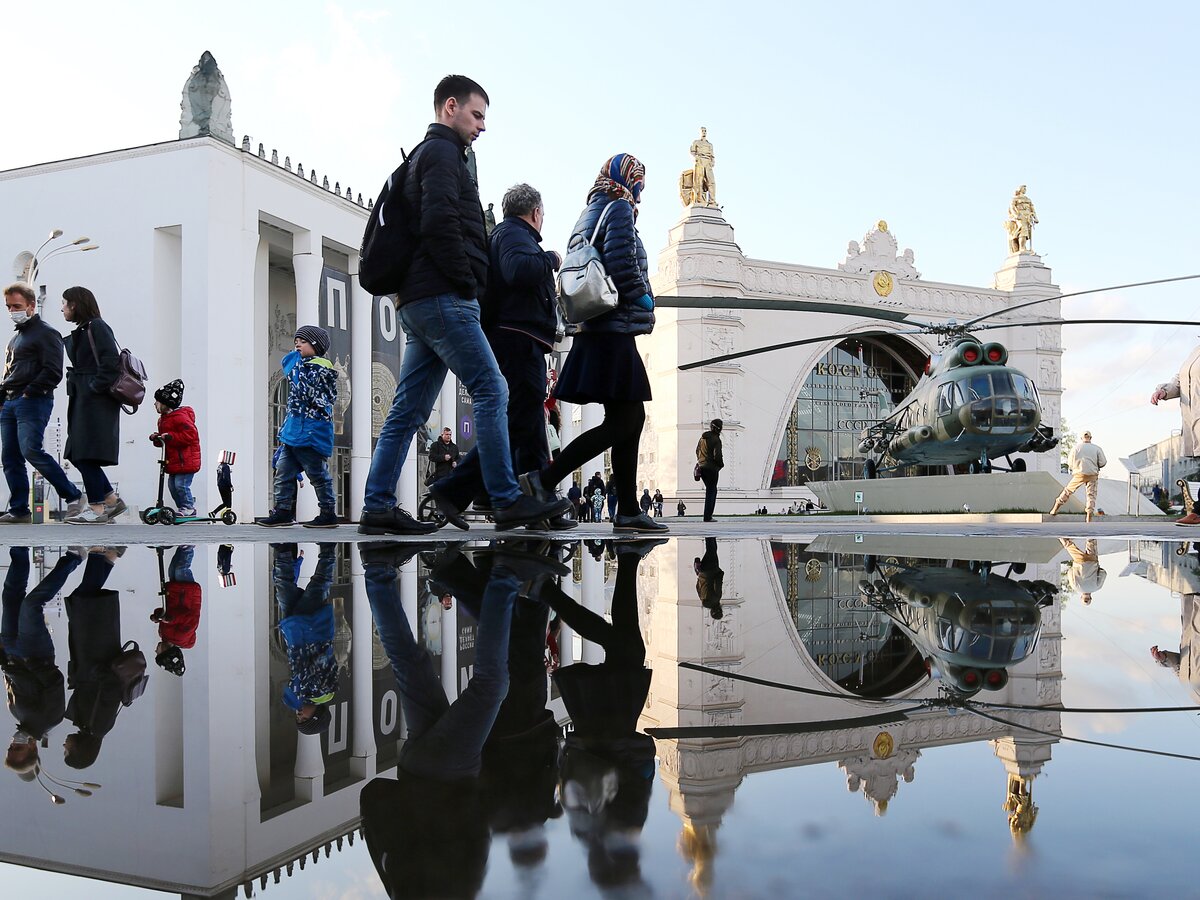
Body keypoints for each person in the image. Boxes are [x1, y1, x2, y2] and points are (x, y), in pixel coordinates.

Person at [360, 75, 568, 536]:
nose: (482, 126)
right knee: (495, 390)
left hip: (423, 300)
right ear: (449, 107)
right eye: (477, 115)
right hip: (443, 298)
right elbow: (439, 224)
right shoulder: (440, 153)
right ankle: (505, 498)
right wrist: (467, 283)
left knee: (408, 411)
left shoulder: (429, 155)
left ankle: (377, 504)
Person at [518, 154, 665, 534]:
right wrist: (641, 296)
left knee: (627, 420)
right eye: (638, 185)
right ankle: (545, 481)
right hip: (612, 329)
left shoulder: (592, 209)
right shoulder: (617, 208)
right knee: (627, 420)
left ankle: (628, 509)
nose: (639, 194)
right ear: (624, 180)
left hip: (597, 328)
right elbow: (620, 259)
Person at [428, 183, 575, 531]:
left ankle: (539, 501)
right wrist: (550, 259)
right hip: (517, 340)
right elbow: (516, 270)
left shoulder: (509, 235)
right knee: (515, 423)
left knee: (527, 425)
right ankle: (453, 489)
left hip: (519, 340)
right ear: (536, 213)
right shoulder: (513, 235)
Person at [0, 283, 85, 523]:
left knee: (30, 450)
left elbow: (52, 370)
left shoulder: (46, 333)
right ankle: (19, 509)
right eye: (8, 306)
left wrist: (30, 391)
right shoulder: (16, 338)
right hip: (9, 402)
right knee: (10, 457)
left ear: (30, 305)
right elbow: (10, 373)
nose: (12, 311)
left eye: (16, 306)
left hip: (33, 401)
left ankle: (73, 496)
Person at [3, 546, 81, 780]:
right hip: (34, 652)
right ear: (32, 748)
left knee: (10, 596)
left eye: (10, 748)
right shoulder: (49, 718)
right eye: (17, 749)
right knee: (30, 605)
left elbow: (10, 679)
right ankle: (73, 559)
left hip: (11, 651)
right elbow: (55, 682)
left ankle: (18, 548)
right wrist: (29, 664)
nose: (12, 744)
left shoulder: (18, 716)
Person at [255, 326, 340, 529]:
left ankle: (328, 512)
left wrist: (296, 365)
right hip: (294, 433)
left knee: (317, 474)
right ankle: (283, 511)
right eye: (296, 341)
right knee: (283, 472)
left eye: (303, 341)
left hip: (311, 432)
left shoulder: (321, 369)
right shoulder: (302, 366)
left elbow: (305, 392)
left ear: (316, 346)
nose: (297, 345)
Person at [60, 287, 127, 525]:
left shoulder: (97, 326)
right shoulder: (85, 328)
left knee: (84, 453)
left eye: (65, 303)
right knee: (77, 452)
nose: (62, 308)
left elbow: (110, 361)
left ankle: (98, 507)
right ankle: (110, 499)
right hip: (85, 398)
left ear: (75, 304)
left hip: (96, 401)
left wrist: (93, 388)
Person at [63, 546, 128, 769]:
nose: (64, 745)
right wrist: (94, 671)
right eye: (67, 750)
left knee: (83, 600)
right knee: (82, 600)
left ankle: (108, 557)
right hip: (96, 648)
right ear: (79, 750)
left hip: (92, 651)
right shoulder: (97, 725)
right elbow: (111, 690)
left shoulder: (91, 727)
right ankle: (99, 553)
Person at [272, 543, 338, 735]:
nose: (299, 713)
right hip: (312, 628)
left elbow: (298, 670)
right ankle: (328, 550)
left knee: (283, 587)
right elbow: (314, 664)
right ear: (316, 716)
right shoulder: (323, 690)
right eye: (304, 718)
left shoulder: (303, 694)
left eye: (298, 717)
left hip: (295, 629)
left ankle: (282, 550)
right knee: (318, 584)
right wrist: (296, 695)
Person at [1152, 348, 1200, 524]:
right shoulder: (1193, 353)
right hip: (1192, 417)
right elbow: (1179, 382)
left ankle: (1198, 512)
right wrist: (1163, 392)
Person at [149, 379, 201, 518]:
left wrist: (171, 437)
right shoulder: (163, 419)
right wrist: (158, 438)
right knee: (172, 486)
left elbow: (191, 435)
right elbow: (166, 440)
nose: (154, 404)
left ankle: (189, 507)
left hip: (186, 460)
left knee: (181, 486)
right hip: (173, 461)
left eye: (157, 402)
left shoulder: (180, 417)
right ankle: (182, 507)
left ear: (166, 403)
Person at [150, 546, 201, 677]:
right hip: (187, 596)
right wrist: (171, 618)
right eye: (158, 652)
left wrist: (157, 616)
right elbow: (191, 619)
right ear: (167, 652)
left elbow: (165, 612)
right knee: (181, 569)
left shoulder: (163, 634)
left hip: (174, 595)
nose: (156, 650)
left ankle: (182, 547)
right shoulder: (182, 637)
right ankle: (189, 546)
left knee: (172, 569)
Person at [1049, 430, 1106, 522]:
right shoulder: (1097, 448)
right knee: (1091, 495)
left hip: (1079, 474)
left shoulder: (1075, 448)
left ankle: (1055, 509)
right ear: (1090, 438)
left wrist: (1075, 468)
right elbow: (1103, 462)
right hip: (1092, 474)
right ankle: (1088, 516)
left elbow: (1070, 463)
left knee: (1068, 491)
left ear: (1081, 438)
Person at [1059, 538, 1106, 605]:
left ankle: (1090, 533)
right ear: (1081, 597)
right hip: (1079, 562)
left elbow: (1103, 573)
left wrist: (1096, 570)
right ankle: (1062, 538)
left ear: (1091, 598)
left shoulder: (1097, 587)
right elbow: (1070, 572)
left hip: (1092, 562)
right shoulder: (1075, 587)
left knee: (1091, 543)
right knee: (1069, 547)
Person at [696, 418, 724, 522]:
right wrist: (720, 465)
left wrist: (700, 461)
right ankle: (708, 516)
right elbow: (717, 456)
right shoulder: (716, 439)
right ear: (720, 429)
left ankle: (707, 516)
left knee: (709, 490)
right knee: (712, 491)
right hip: (712, 468)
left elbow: (697, 450)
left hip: (702, 467)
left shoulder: (703, 438)